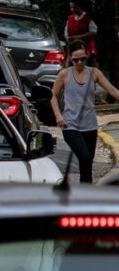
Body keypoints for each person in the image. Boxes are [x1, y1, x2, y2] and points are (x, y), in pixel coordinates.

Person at [50, 41, 119, 183]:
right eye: (76, 60)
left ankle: (85, 194)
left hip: (90, 126)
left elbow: (112, 90)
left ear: (87, 56)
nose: (80, 62)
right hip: (70, 125)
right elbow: (53, 96)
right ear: (70, 58)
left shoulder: (94, 73)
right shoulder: (64, 74)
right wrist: (58, 116)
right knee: (85, 157)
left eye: (83, 59)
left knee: (87, 164)